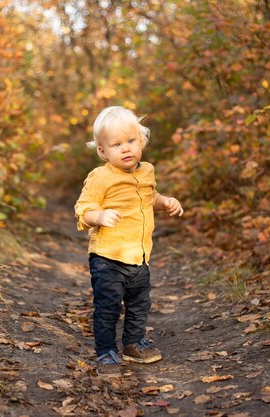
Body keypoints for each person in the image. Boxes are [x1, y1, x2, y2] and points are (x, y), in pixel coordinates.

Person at [74, 106, 184, 377]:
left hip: (139, 255)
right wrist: (99, 215)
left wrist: (166, 202)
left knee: (139, 304)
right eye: (116, 144)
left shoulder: (147, 171)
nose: (126, 148)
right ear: (103, 151)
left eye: (131, 141)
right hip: (107, 257)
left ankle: (133, 344)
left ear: (141, 141)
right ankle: (106, 353)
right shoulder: (101, 177)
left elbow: (150, 198)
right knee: (108, 306)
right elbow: (83, 209)